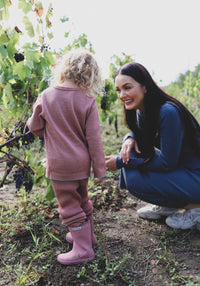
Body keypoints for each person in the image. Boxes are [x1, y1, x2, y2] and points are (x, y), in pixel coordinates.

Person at [27, 49, 106, 265]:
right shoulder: (88, 99)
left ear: (64, 68)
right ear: (91, 74)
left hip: (60, 165)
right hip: (81, 164)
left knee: (69, 206)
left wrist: (50, 132)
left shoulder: (47, 95)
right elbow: (95, 139)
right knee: (82, 199)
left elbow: (34, 127)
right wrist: (99, 170)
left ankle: (82, 249)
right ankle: (87, 237)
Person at [105, 62, 200, 230]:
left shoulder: (167, 112)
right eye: (118, 90)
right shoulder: (144, 111)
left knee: (132, 172)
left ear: (145, 87)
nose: (122, 95)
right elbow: (141, 136)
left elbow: (166, 163)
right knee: (130, 154)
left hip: (195, 175)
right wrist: (129, 138)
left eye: (127, 87)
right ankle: (172, 205)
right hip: (182, 170)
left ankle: (195, 208)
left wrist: (120, 162)